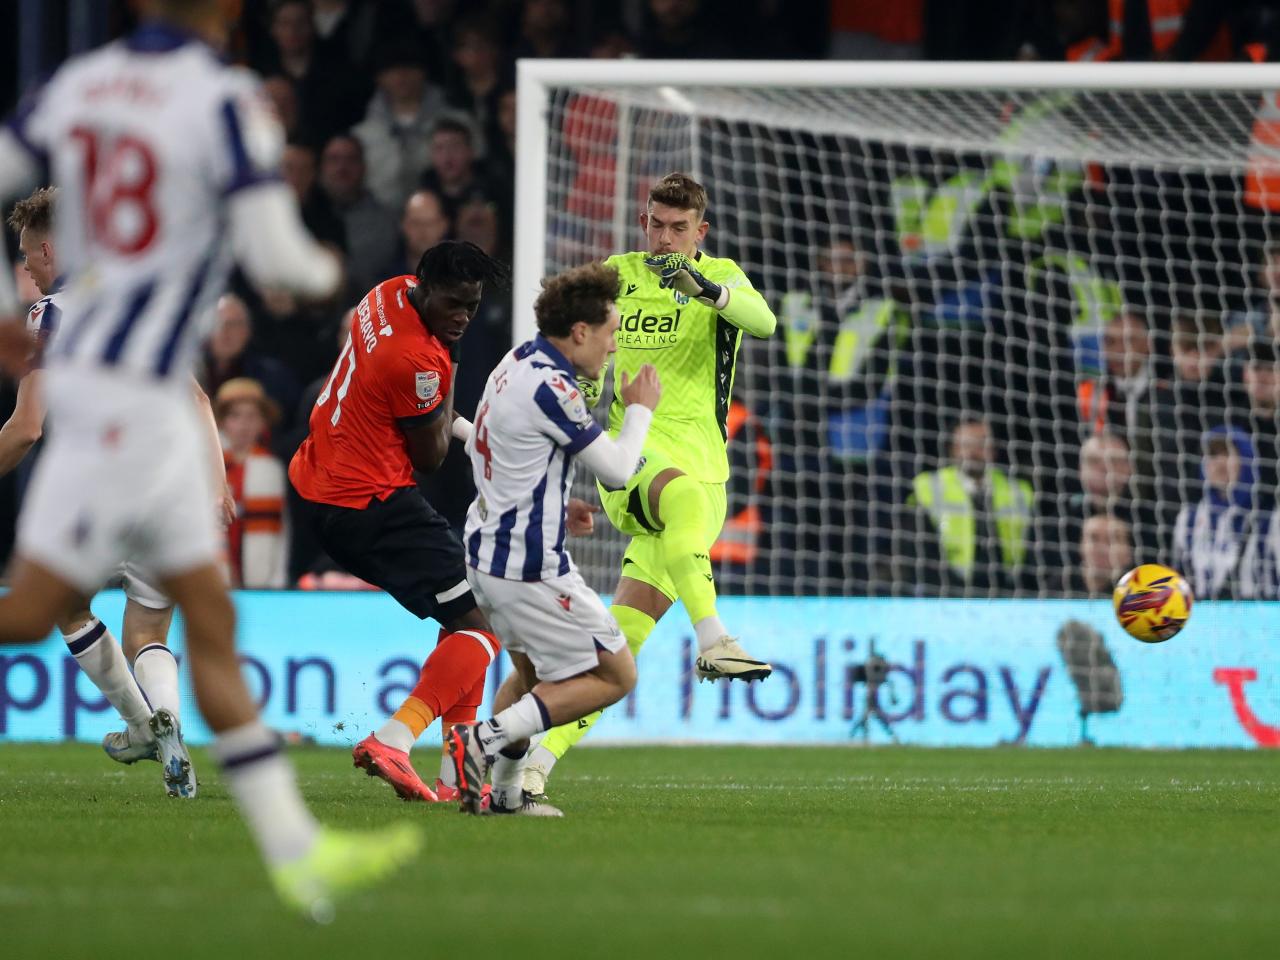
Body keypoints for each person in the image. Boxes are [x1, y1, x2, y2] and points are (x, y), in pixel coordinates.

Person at [0, 0, 419, 920]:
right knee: (178, 637)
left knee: (50, 616)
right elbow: (278, 255)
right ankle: (274, 828)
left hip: (110, 431)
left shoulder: (74, 86)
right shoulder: (222, 99)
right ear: (218, 19)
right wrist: (323, 275)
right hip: (158, 433)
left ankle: (300, 851)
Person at [518, 172, 778, 798]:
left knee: (619, 649)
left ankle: (528, 762)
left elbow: (763, 322)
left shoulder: (722, 275)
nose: (665, 238)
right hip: (632, 455)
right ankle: (714, 637)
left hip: (705, 466)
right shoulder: (618, 275)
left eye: (679, 229)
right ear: (643, 223)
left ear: (700, 232)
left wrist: (708, 291)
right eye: (657, 225)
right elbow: (574, 351)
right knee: (681, 496)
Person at [1, 185, 236, 797]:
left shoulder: (52, 314)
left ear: (50, 248)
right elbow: (198, 398)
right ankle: (165, 728)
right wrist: (217, 484)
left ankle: (140, 725)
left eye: (26, 255)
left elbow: (27, 429)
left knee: (66, 606)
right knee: (148, 634)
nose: (24, 268)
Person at [288, 241, 510, 805]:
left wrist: (471, 433)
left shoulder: (384, 293)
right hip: (371, 503)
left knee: (465, 615)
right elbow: (430, 456)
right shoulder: (417, 359)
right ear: (426, 288)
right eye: (454, 304)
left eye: (473, 306)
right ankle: (395, 738)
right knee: (488, 625)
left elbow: (431, 418)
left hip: (322, 481)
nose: (463, 316)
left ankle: (458, 773)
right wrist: (452, 359)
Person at [447, 262, 661, 817]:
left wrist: (554, 504)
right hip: (529, 569)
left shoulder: (514, 362)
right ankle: (482, 740)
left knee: (532, 680)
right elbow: (616, 470)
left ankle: (502, 796)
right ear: (582, 331)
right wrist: (639, 410)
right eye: (611, 332)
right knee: (616, 674)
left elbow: (492, 448)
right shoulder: (555, 388)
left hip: (487, 556)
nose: (614, 347)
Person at [906, 417, 1036, 593]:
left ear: (993, 450)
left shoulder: (1019, 491)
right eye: (965, 444)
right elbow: (917, 550)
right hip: (948, 590)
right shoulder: (928, 487)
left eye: (981, 444)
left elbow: (1032, 548)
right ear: (952, 449)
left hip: (1009, 590)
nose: (973, 452)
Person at [1173, 427, 1280, 599]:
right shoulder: (1188, 519)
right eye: (1213, 455)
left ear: (1246, 459)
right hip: (1203, 617)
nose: (1220, 462)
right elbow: (1178, 577)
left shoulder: (1270, 519)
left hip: (1261, 617)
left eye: (1228, 454)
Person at [217, 378, 289, 589]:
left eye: (252, 416)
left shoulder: (271, 468)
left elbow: (283, 529)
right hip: (217, 574)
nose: (244, 424)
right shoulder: (208, 468)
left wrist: (278, 578)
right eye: (235, 415)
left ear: (263, 422)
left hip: (261, 578)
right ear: (221, 421)